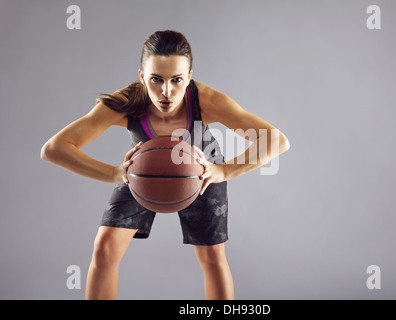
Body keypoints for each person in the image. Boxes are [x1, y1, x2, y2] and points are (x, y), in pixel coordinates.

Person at [40, 30, 290, 300]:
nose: (166, 91)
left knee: (212, 257)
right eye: (156, 79)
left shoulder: (206, 100)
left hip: (200, 174)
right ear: (142, 76)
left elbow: (277, 140)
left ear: (189, 78)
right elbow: (54, 148)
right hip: (144, 175)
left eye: (177, 80)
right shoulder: (127, 102)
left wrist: (223, 171)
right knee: (104, 248)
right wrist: (113, 173)